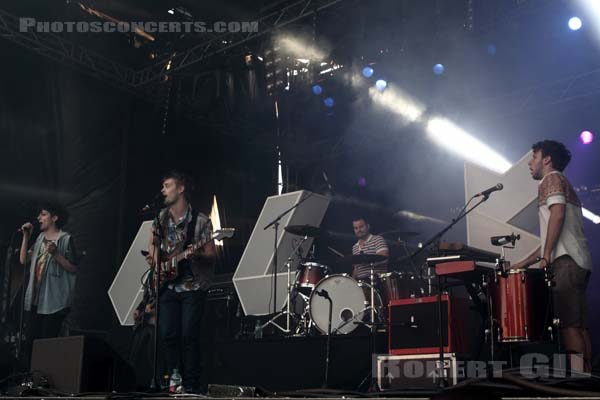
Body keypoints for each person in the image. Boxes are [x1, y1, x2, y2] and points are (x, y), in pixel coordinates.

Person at [510, 140, 593, 372]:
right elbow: (552, 234)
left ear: (546, 159)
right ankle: (586, 378)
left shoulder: (551, 179)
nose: (530, 162)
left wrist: (546, 256)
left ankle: (578, 379)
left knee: (569, 326)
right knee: (579, 326)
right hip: (577, 261)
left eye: (534, 156)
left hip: (566, 264)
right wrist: (527, 262)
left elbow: (557, 213)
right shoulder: (562, 181)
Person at [146, 170, 216, 393]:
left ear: (181, 188)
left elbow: (211, 254)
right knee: (168, 334)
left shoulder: (201, 221)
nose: (163, 190)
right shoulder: (160, 218)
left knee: (188, 335)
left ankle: (192, 385)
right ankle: (173, 381)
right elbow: (153, 246)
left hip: (192, 286)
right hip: (167, 285)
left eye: (167, 185)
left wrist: (195, 255)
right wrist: (159, 264)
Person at [18, 203, 78, 363]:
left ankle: (44, 381)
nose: (39, 218)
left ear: (54, 218)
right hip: (36, 301)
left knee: (47, 344)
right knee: (30, 342)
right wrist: (26, 237)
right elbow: (24, 260)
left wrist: (57, 254)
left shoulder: (65, 239)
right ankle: (30, 379)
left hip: (54, 302)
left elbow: (73, 268)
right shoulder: (39, 239)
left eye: (43, 214)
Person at [351, 216, 389, 281]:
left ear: (368, 226)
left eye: (361, 227)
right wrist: (351, 281)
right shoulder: (354, 247)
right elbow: (356, 268)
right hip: (361, 284)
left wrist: (366, 260)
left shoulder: (377, 239)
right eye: (356, 228)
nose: (359, 230)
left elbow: (384, 258)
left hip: (377, 281)